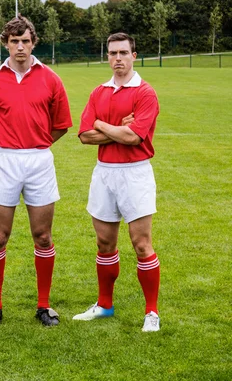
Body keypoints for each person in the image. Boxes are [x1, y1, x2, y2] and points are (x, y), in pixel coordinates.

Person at [0, 15, 72, 327]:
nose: (20, 47)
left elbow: (60, 125)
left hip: (40, 160)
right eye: (14, 41)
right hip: (4, 160)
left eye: (25, 41)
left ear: (34, 43)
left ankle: (44, 306)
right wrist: (10, 144)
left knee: (42, 236)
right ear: (6, 43)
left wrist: (36, 144)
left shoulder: (51, 79)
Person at [74, 32, 161, 332]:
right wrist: (114, 128)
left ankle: (151, 312)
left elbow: (134, 137)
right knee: (104, 243)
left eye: (123, 53)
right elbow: (85, 136)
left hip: (135, 173)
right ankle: (105, 305)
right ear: (107, 56)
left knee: (141, 244)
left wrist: (101, 124)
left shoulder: (145, 92)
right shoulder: (99, 92)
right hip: (104, 172)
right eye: (113, 53)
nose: (118, 59)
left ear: (134, 56)